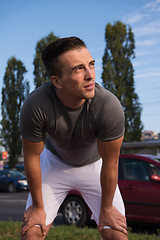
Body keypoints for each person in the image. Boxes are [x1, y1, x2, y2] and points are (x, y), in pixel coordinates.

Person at [20, 36, 128, 240]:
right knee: (32, 230)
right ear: (57, 81)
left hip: (96, 165)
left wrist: (106, 208)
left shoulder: (108, 106)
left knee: (115, 232)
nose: (90, 75)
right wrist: (37, 207)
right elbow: (32, 157)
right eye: (78, 69)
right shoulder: (36, 105)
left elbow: (111, 161)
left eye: (91, 65)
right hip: (54, 164)